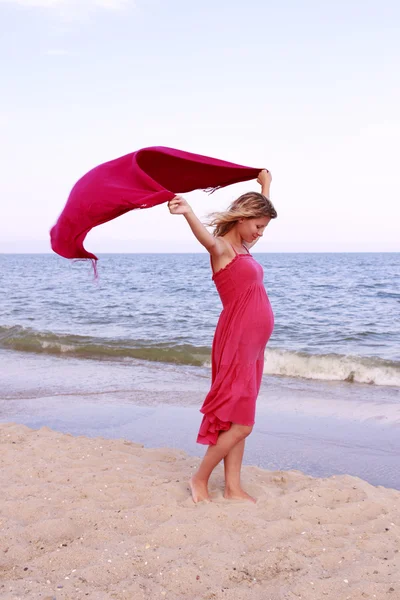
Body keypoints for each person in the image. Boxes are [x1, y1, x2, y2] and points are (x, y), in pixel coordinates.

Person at [168, 170, 277, 503]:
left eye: (263, 228)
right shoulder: (223, 250)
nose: (260, 233)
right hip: (237, 341)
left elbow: (262, 213)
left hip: (253, 345)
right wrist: (188, 212)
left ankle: (232, 487)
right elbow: (207, 238)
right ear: (242, 218)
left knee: (239, 417)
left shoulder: (244, 245)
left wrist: (265, 186)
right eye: (257, 226)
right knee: (242, 424)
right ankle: (199, 479)